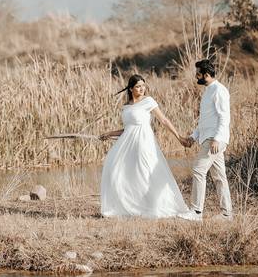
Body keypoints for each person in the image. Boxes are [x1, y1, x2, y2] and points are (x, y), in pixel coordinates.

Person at [98, 74, 198, 219]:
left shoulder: (148, 101)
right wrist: (109, 133)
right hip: (126, 145)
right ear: (131, 88)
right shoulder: (126, 107)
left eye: (143, 86)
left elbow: (163, 120)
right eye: (138, 86)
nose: (142, 89)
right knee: (115, 169)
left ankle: (156, 206)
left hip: (144, 143)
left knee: (146, 172)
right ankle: (128, 206)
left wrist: (179, 137)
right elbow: (127, 129)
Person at [182, 59, 233, 219]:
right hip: (208, 137)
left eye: (198, 74)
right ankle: (227, 214)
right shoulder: (208, 91)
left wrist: (217, 139)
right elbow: (206, 120)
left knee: (198, 170)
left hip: (215, 139)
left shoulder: (219, 90)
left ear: (206, 74)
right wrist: (193, 136)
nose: (196, 77)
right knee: (219, 176)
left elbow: (224, 117)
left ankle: (196, 212)